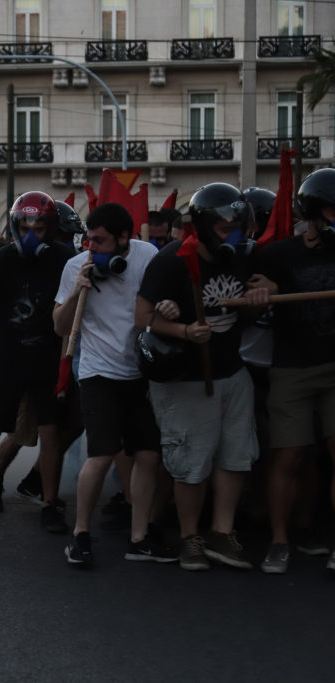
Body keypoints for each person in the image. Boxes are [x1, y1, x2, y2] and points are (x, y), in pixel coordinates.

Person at [137, 183, 271, 572]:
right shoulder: (170, 261)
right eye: (224, 223)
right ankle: (189, 536)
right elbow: (142, 317)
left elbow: (258, 293)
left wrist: (266, 291)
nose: (233, 230)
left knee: (236, 456)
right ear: (205, 223)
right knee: (191, 462)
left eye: (238, 222)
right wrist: (182, 331)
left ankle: (221, 532)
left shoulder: (245, 256)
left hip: (231, 372)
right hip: (186, 380)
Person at [54, 202, 174, 566]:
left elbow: (158, 300)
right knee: (101, 454)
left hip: (137, 372)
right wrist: (78, 290)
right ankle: (80, 534)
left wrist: (167, 306)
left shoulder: (147, 255)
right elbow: (59, 326)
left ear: (125, 237)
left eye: (101, 241)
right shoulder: (77, 265)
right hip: (97, 373)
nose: (93, 247)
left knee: (149, 455)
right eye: (89, 239)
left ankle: (139, 539)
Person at [0, 191, 72, 538]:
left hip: (47, 358)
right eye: (26, 226)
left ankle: (50, 504)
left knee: (51, 431)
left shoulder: (65, 261)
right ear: (15, 226)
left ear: (50, 228)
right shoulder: (1, 261)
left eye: (39, 226)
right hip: (5, 358)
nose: (32, 234)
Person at [259, 168, 335, 575]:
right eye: (332, 210)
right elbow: (258, 283)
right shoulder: (279, 254)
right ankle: (279, 541)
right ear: (311, 212)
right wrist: (263, 291)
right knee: (288, 456)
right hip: (292, 370)